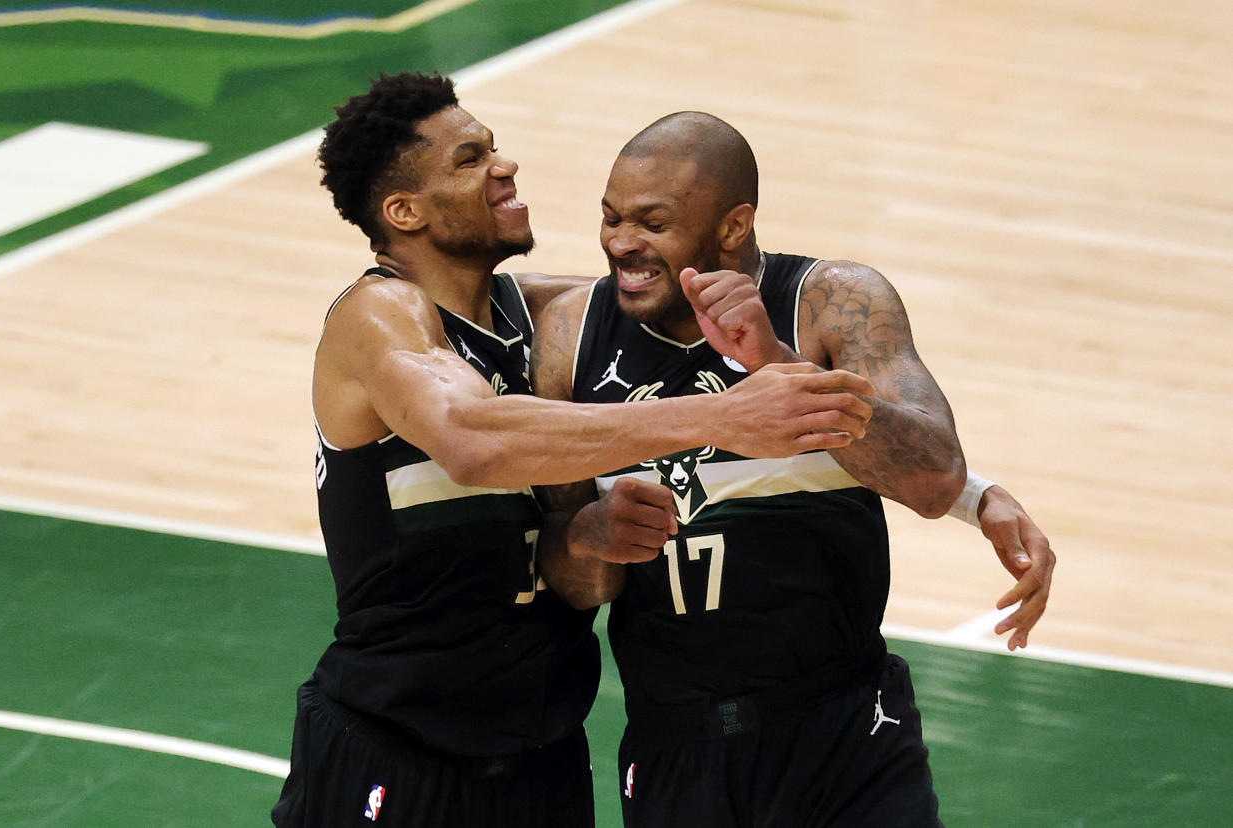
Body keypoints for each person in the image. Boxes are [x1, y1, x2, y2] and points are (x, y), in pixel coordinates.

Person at [271, 75, 877, 828]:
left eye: (493, 147)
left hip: (539, 758)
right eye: (469, 159)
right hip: (399, 745)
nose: (504, 167)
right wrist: (721, 415)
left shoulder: (539, 317)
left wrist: (969, 492)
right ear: (404, 211)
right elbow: (471, 439)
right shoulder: (381, 315)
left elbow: (672, 286)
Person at [532, 111, 1056, 827]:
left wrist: (778, 365)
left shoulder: (833, 303)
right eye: (611, 216)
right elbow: (576, 583)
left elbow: (933, 478)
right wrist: (589, 539)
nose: (622, 242)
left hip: (845, 729)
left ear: (733, 225)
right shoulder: (570, 334)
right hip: (674, 741)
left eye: (651, 222)